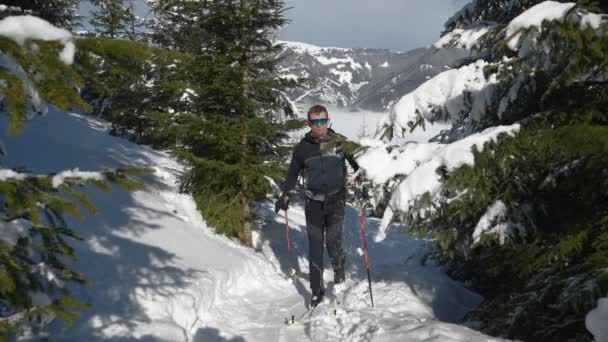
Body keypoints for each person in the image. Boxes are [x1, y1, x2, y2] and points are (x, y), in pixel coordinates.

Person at [275, 104, 359, 307]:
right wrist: (285, 194)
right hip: (313, 203)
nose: (320, 125)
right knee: (314, 246)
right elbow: (293, 174)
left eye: (323, 120)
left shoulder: (340, 143)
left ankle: (339, 270)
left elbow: (358, 163)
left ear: (328, 120)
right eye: (315, 121)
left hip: (336, 200)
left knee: (332, 240)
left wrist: (362, 176)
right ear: (308, 123)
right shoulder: (302, 149)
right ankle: (316, 290)